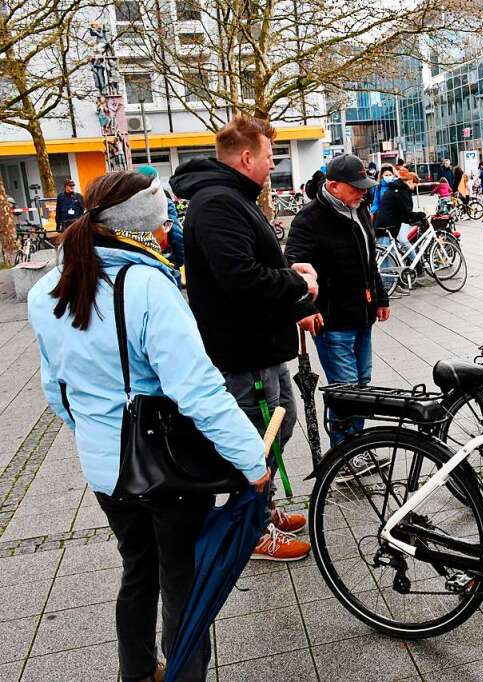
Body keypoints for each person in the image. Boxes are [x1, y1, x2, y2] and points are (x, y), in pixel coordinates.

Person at [28, 170, 270, 682]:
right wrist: (253, 460)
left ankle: (136, 671)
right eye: (165, 221)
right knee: (181, 578)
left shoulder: (49, 287)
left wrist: (93, 432)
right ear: (148, 227)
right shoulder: (147, 286)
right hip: (166, 468)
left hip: (105, 468)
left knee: (138, 569)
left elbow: (56, 388)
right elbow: (199, 390)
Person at [170, 115, 317, 562]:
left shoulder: (234, 197)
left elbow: (251, 267)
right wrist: (297, 283)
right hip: (242, 351)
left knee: (278, 425)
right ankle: (248, 529)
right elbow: (240, 278)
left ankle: (262, 507)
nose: (273, 165)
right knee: (254, 438)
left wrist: (294, 303)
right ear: (247, 156)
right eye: (270, 157)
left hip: (260, 345)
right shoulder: (217, 203)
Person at [285, 155, 391, 449]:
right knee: (346, 389)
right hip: (332, 320)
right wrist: (305, 307)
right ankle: (344, 453)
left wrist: (380, 298)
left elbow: (370, 262)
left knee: (362, 384)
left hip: (362, 314)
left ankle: (355, 447)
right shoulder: (310, 219)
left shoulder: (360, 209)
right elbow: (293, 267)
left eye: (365, 186)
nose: (363, 192)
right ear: (333, 186)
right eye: (356, 187)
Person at [136, 165, 185, 268]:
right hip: (165, 256)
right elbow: (175, 230)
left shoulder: (132, 202)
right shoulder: (163, 199)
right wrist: (180, 258)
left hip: (140, 257)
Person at [375, 169, 422, 250]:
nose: (414, 187)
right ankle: (416, 262)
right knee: (388, 259)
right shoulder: (401, 191)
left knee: (392, 256)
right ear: (410, 181)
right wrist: (421, 215)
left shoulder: (397, 188)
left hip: (387, 226)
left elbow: (403, 213)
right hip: (387, 228)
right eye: (415, 185)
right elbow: (406, 213)